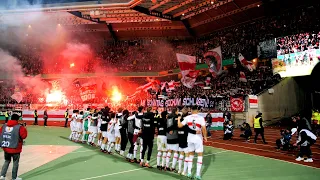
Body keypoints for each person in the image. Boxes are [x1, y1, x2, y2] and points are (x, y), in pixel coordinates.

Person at [178, 106, 207, 180]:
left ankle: (189, 173)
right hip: (198, 139)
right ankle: (197, 175)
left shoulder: (187, 117)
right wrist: (205, 137)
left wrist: (178, 119)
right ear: (197, 110)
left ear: (191, 110)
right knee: (200, 155)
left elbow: (180, 125)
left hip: (190, 139)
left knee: (190, 156)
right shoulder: (200, 118)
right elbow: (203, 128)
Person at [0, 114, 28, 180]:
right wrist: (25, 129)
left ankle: (2, 175)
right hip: (15, 148)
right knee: (15, 163)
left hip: (6, 147)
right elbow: (24, 136)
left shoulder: (4, 126)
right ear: (17, 119)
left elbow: (1, 134)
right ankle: (14, 177)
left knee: (6, 161)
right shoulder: (19, 127)